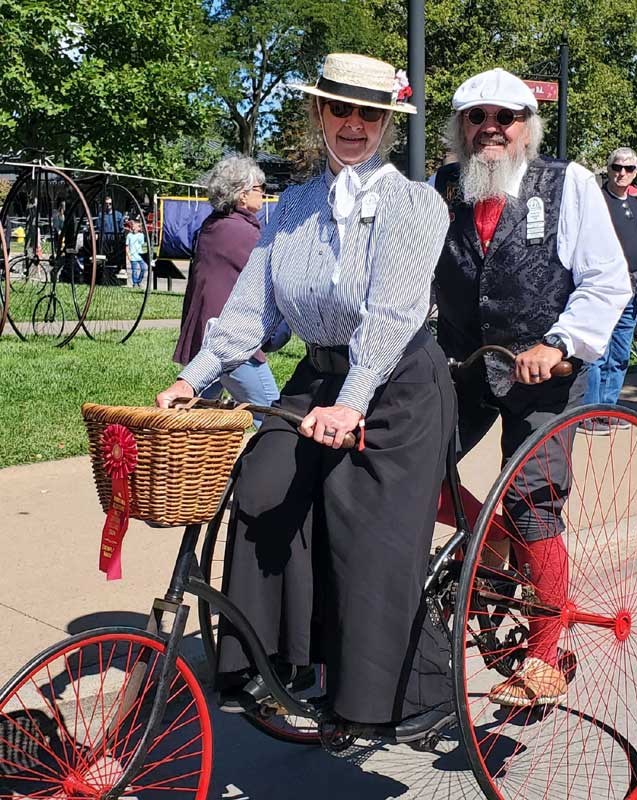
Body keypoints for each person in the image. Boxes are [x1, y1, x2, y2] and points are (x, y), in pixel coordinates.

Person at [157, 53, 456, 734]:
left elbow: (391, 315)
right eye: (339, 108)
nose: (353, 124)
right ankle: (278, 664)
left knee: (361, 522)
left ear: (386, 122)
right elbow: (248, 313)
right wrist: (191, 379)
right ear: (319, 112)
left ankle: (385, 701)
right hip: (318, 375)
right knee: (262, 483)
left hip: (399, 382)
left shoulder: (415, 204)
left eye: (369, 113)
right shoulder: (290, 207)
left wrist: (354, 400)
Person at [433, 67, 630, 706]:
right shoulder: (444, 187)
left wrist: (562, 343)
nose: (491, 128)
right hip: (465, 364)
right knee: (401, 461)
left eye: (505, 117)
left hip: (543, 373)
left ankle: (545, 653)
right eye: (477, 117)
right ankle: (487, 536)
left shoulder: (568, 184)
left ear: (527, 127)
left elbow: (607, 280)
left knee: (532, 499)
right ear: (461, 128)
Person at [173, 156, 286, 426]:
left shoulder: (212, 227)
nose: (264, 193)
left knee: (193, 422)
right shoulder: (243, 233)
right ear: (242, 194)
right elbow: (274, 280)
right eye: (260, 187)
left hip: (205, 340)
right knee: (272, 419)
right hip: (231, 342)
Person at [582, 147, 637, 420]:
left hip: (632, 287)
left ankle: (608, 410)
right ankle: (590, 411)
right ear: (608, 169)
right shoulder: (597, 200)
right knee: (597, 352)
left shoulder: (635, 204)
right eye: (616, 167)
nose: (622, 173)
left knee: (619, 354)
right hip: (603, 287)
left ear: (636, 172)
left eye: (628, 168)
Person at [125, 219, 147, 288]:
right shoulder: (129, 235)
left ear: (138, 228)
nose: (134, 228)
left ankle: (139, 281)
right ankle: (135, 283)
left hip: (140, 255)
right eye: (133, 226)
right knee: (134, 270)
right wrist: (128, 255)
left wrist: (140, 233)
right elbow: (127, 246)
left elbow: (142, 243)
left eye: (135, 227)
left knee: (143, 269)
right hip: (132, 255)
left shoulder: (141, 235)